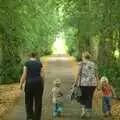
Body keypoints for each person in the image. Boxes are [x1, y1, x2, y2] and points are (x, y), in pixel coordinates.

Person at [20, 52, 44, 120]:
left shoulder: (27, 63)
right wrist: (43, 84)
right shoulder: (39, 63)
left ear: (29, 56)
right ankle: (37, 117)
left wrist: (21, 84)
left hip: (29, 84)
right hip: (38, 83)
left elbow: (24, 74)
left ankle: (30, 116)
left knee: (28, 101)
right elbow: (42, 75)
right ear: (36, 56)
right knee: (38, 101)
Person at [75, 52, 98, 118]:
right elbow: (96, 75)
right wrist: (98, 84)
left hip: (83, 84)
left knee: (83, 98)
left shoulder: (81, 64)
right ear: (89, 57)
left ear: (83, 57)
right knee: (89, 98)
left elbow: (78, 74)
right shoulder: (94, 64)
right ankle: (88, 113)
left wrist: (75, 83)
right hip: (92, 84)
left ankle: (83, 112)